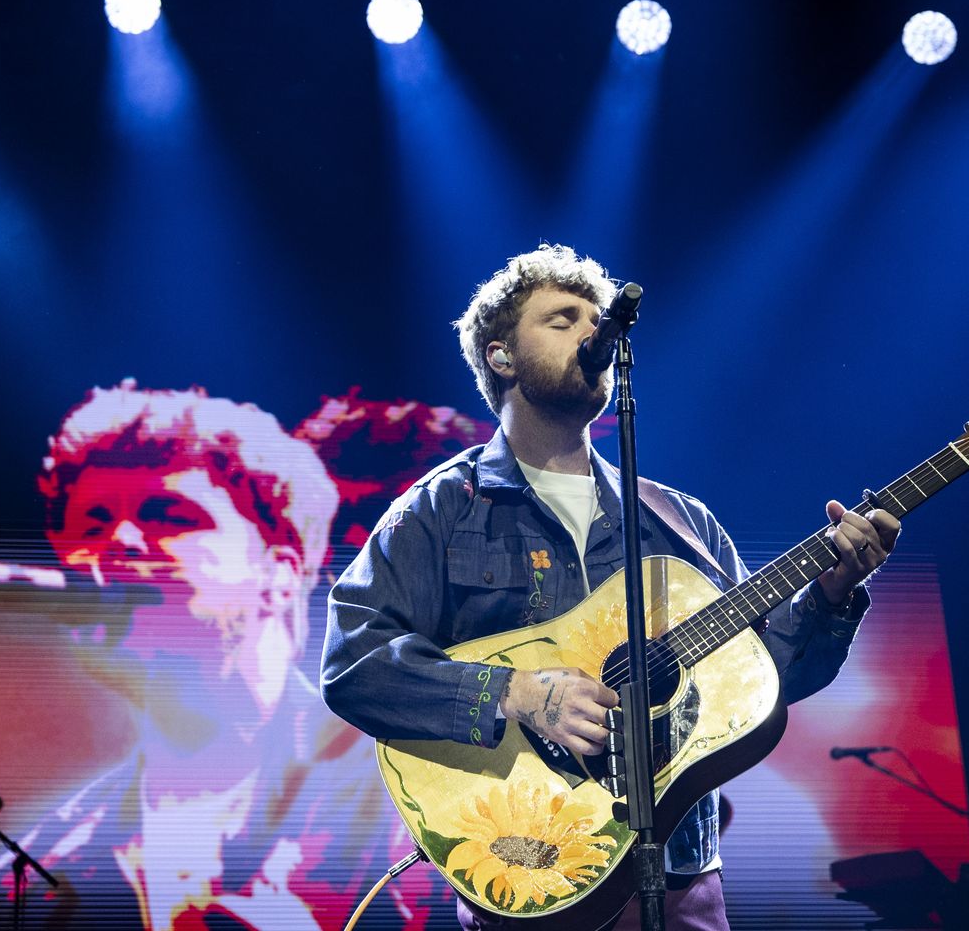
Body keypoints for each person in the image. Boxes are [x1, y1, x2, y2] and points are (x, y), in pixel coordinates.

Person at [320, 243, 900, 931]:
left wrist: (829, 596)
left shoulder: (682, 523)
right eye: (562, 320)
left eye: (596, 320)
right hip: (530, 867)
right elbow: (352, 660)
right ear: (501, 356)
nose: (592, 332)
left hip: (684, 879)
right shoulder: (445, 507)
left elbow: (757, 684)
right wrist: (518, 694)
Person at [0, 382, 428, 929]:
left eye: (169, 515)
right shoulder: (36, 873)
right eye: (92, 524)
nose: (118, 545)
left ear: (283, 570)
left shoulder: (408, 787)